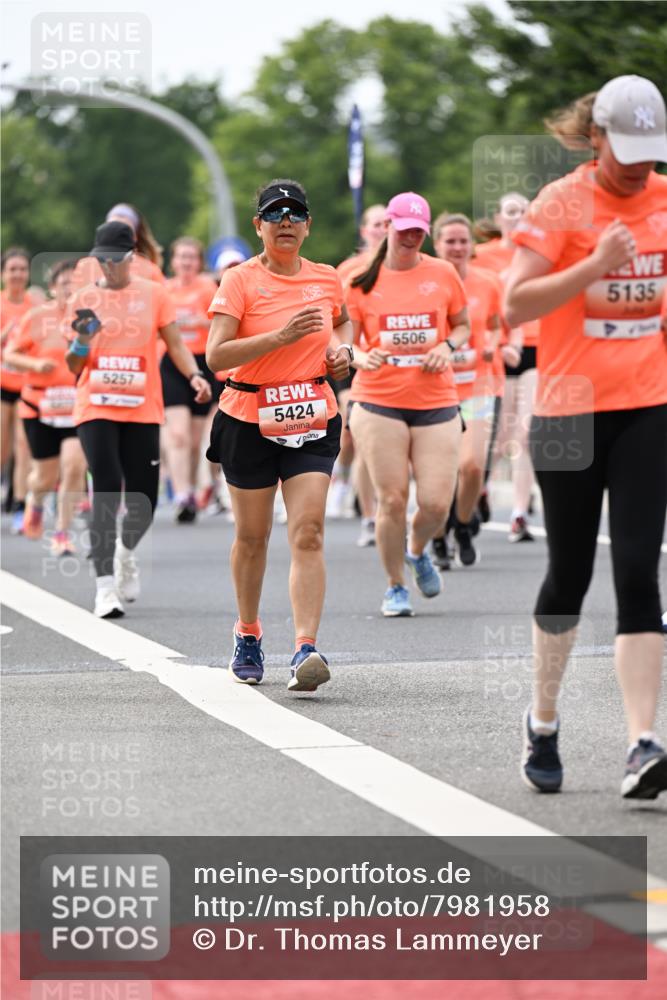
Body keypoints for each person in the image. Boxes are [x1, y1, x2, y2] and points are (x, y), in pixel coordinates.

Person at [504, 75, 667, 799]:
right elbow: (514, 305)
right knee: (568, 575)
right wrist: (593, 265)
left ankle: (641, 743)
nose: (636, 164)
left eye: (648, 151)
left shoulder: (664, 201)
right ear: (593, 135)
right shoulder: (561, 203)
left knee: (637, 571)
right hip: (568, 409)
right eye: (623, 148)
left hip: (646, 406)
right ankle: (542, 721)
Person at [205, 179, 352, 691]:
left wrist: (342, 352)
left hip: (312, 412)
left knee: (308, 529)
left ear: (308, 225)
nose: (285, 221)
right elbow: (217, 356)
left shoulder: (327, 278)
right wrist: (281, 337)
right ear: (259, 226)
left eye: (295, 214)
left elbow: (344, 325)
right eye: (274, 214)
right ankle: (248, 633)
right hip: (248, 415)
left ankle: (305, 649)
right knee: (252, 537)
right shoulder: (240, 280)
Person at [65, 221, 211, 618]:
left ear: (131, 258)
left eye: (116, 260)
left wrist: (194, 375)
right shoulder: (82, 297)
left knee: (143, 498)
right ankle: (103, 589)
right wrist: (82, 340)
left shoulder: (154, 294)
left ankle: (125, 554)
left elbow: (176, 344)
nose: (109, 267)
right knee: (107, 485)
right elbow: (73, 365)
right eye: (103, 260)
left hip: (142, 407)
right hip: (95, 405)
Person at [346, 192, 469, 616]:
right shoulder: (362, 280)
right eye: (405, 230)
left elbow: (463, 325)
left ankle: (416, 550)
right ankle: (395, 585)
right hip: (378, 399)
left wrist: (448, 347)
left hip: (436, 398)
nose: (412, 237)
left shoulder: (443, 272)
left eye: (420, 231)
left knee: (436, 502)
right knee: (393, 499)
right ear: (389, 229)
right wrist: (364, 356)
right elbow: (345, 346)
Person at [431, 213, 506, 568]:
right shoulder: (425, 282)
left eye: (463, 241)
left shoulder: (487, 282)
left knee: (473, 466)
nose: (458, 247)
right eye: (450, 241)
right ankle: (437, 533)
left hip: (477, 386)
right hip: (433, 391)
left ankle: (461, 525)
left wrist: (494, 343)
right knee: (439, 471)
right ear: (437, 244)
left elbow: (496, 325)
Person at [3, 259, 87, 553]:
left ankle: (62, 532)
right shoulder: (36, 317)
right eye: (64, 285)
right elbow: (10, 355)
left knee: (75, 466)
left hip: (78, 406)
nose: (70, 291)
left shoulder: (90, 320)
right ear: (53, 289)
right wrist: (36, 363)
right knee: (44, 477)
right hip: (40, 405)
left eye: (75, 286)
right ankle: (35, 502)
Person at [472, 193, 540, 542]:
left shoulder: (542, 250)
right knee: (496, 441)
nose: (519, 217)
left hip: (535, 347)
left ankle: (518, 513)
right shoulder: (483, 257)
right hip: (495, 353)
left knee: (525, 434)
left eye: (525, 211)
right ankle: (476, 490)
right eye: (512, 212)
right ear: (498, 218)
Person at [328, 205, 387, 541]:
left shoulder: (401, 267)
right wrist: (348, 352)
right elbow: (333, 319)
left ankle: (370, 503)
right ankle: (367, 515)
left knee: (368, 440)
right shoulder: (348, 270)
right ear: (365, 231)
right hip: (352, 357)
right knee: (355, 434)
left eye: (387, 223)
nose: (382, 229)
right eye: (376, 224)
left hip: (388, 361)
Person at [162, 237, 220, 522]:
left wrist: (203, 322)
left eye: (191, 257)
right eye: (181, 257)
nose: (186, 262)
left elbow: (226, 323)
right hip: (172, 364)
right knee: (178, 434)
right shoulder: (164, 290)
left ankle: (193, 491)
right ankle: (182, 494)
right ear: (172, 261)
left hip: (202, 362)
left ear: (199, 262)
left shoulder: (208, 289)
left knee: (196, 440)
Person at [1, 248, 35, 532]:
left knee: (23, 446)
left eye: (22, 269)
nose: (17, 274)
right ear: (3, 274)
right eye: (12, 269)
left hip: (27, 385)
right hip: (2, 385)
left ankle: (20, 504)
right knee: (2, 448)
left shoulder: (33, 306)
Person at [70, 203, 165, 292]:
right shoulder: (85, 266)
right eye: (111, 227)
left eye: (123, 231)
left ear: (135, 236)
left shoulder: (150, 270)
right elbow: (75, 301)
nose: (116, 234)